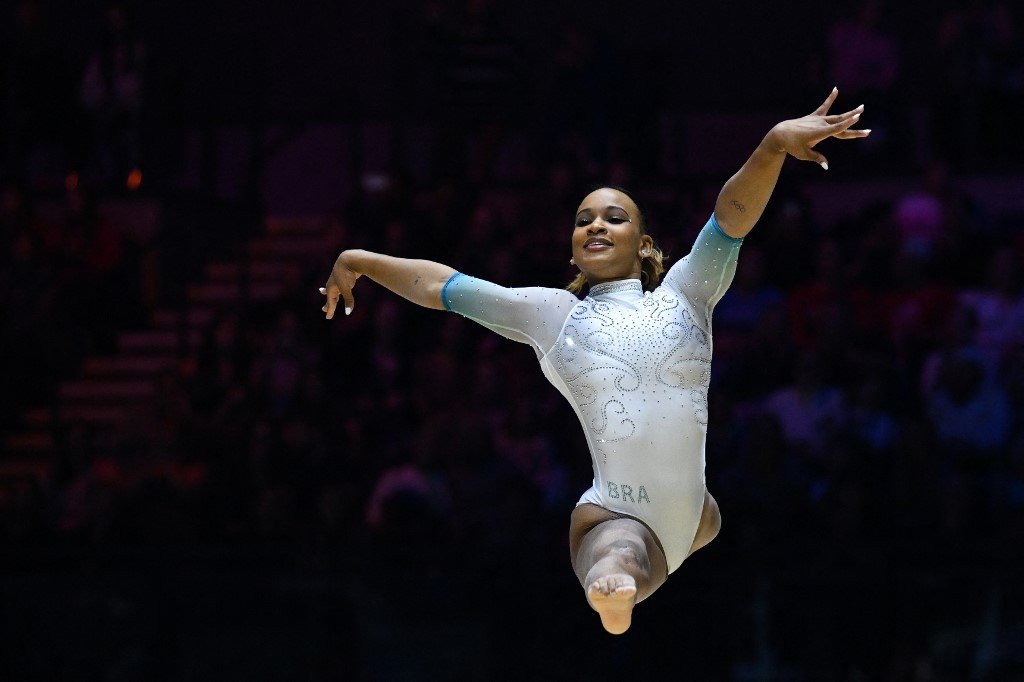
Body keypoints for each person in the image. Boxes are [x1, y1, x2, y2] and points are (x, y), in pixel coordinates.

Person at [321, 88, 869, 634]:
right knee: (621, 551)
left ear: (645, 243)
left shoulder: (686, 293)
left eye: (614, 217)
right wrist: (364, 260)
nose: (596, 225)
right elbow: (445, 286)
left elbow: (731, 217)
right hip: (616, 510)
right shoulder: (553, 314)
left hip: (696, 513)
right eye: (584, 220)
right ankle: (612, 585)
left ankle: (618, 586)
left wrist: (772, 145)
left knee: (654, 545)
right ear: (573, 250)